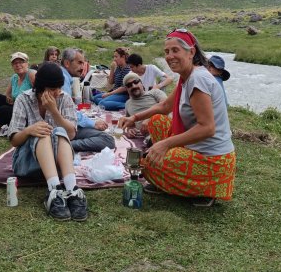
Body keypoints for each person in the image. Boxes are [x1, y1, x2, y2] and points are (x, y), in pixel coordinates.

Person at [119, 29, 236, 207]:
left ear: (191, 52)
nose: (170, 56)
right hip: (198, 148)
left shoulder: (198, 79)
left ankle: (205, 190)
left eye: (175, 50)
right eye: (167, 52)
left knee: (147, 165)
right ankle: (172, 176)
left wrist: (165, 144)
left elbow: (207, 128)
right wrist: (134, 117)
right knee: (158, 120)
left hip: (212, 159)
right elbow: (165, 106)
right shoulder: (187, 77)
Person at [9, 63, 88, 221]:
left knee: (58, 130)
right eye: (52, 89)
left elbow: (71, 134)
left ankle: (72, 189)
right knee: (43, 130)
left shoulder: (64, 98)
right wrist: (28, 130)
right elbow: (14, 141)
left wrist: (54, 111)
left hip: (58, 166)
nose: (57, 92)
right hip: (27, 163)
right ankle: (53, 191)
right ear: (40, 88)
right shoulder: (23, 100)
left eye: (58, 87)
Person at [60, 48, 115, 152]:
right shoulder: (62, 79)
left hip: (63, 125)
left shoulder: (65, 77)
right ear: (67, 63)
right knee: (108, 139)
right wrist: (92, 123)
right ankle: (65, 146)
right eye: (79, 63)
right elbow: (68, 114)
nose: (82, 67)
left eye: (83, 63)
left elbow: (68, 109)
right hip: (62, 128)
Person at [122, 72, 167, 137]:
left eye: (136, 82)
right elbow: (130, 125)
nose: (134, 86)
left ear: (141, 82)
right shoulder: (127, 104)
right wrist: (130, 130)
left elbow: (165, 105)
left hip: (164, 129)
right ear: (126, 89)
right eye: (129, 85)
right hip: (146, 137)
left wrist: (150, 119)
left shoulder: (155, 92)